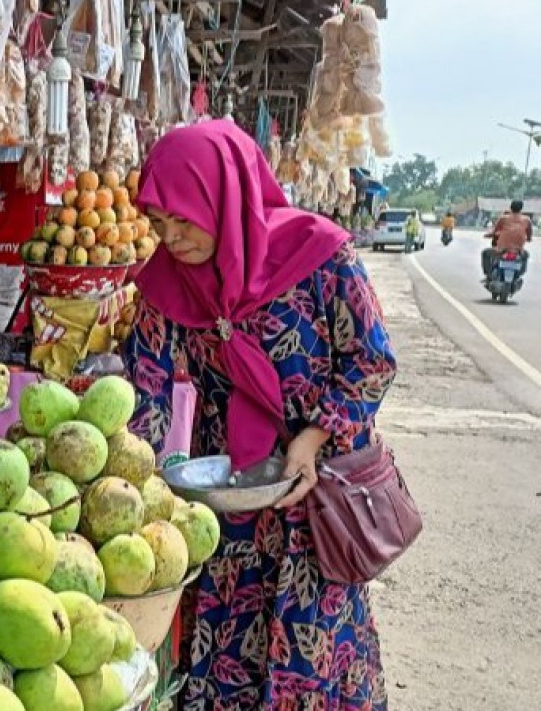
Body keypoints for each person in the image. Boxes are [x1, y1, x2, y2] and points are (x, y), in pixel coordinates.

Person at [124, 121, 396, 710]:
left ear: (221, 195)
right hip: (231, 510)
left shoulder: (321, 256)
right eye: (158, 223)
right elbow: (144, 389)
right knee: (227, 660)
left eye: (182, 219)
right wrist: (129, 472)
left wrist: (314, 438)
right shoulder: (167, 283)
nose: (170, 238)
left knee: (312, 661)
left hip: (315, 500)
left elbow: (371, 361)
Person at [482, 199, 532, 277]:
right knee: (525, 255)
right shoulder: (527, 220)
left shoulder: (503, 218)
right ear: (521, 208)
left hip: (502, 249)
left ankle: (488, 274)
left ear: (510, 207)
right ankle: (519, 274)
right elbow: (529, 235)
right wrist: (528, 239)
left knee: (485, 253)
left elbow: (494, 232)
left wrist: (488, 235)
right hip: (518, 251)